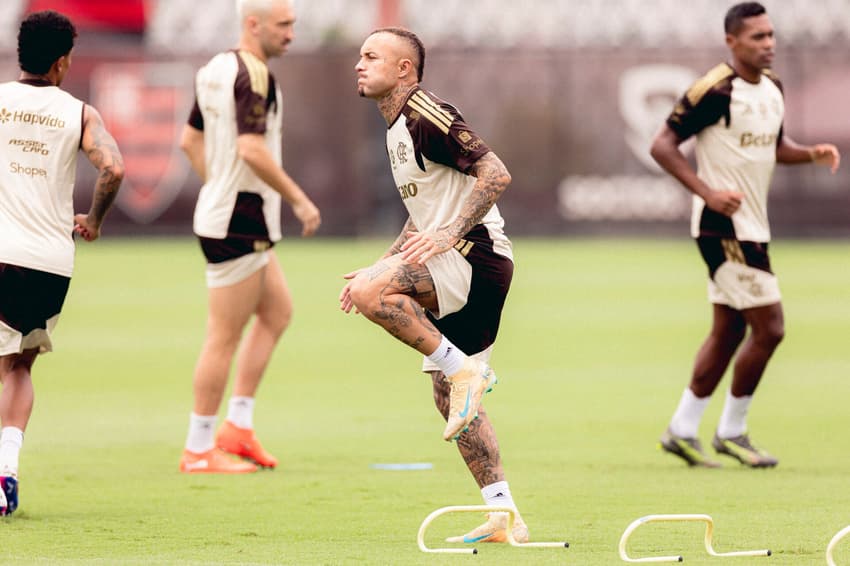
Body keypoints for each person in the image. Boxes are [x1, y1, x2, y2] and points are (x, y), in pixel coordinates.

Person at [340, 27, 528, 544]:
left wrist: (449, 234)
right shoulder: (396, 128)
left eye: (372, 56)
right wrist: (381, 262)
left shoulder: (426, 112)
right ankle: (503, 514)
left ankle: (463, 368)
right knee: (450, 398)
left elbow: (496, 173)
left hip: (475, 259)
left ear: (405, 69)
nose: (360, 64)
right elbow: (423, 213)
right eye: (360, 56)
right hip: (461, 260)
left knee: (376, 299)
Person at [650, 2, 840, 469]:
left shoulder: (773, 88)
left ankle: (681, 429)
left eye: (771, 35)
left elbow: (775, 148)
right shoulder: (713, 89)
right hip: (724, 229)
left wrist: (810, 154)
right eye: (757, 37)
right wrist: (707, 192)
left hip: (753, 226)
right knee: (770, 328)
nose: (768, 44)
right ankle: (732, 431)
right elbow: (662, 145)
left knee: (730, 329)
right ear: (732, 42)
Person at [178, 0, 321, 474]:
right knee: (222, 336)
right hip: (239, 220)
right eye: (283, 25)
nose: (291, 34)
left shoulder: (214, 68)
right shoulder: (254, 74)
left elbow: (189, 141)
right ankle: (198, 449)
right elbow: (252, 149)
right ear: (252, 24)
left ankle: (237, 428)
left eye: (293, 25)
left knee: (278, 312)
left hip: (233, 213)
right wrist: (299, 199)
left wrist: (215, 186)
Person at [0, 10, 124, 515]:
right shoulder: (78, 113)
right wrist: (92, 220)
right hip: (47, 262)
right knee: (17, 366)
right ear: (60, 62)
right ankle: (6, 473)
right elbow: (113, 168)